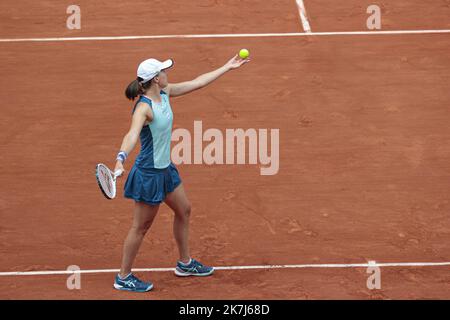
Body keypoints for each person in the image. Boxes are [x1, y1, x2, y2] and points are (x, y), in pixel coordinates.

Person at [112, 54, 250, 292]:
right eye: (163, 72)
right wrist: (120, 159)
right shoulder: (144, 108)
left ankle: (184, 264)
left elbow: (198, 82)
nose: (167, 74)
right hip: (149, 174)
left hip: (166, 169)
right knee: (140, 227)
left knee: (183, 210)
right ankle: (123, 276)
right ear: (156, 79)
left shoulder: (165, 93)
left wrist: (227, 66)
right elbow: (131, 135)